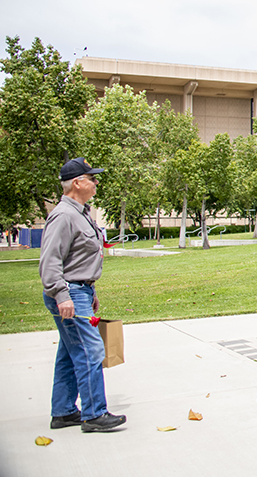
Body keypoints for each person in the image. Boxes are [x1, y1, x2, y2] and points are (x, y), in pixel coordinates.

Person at [39, 157, 127, 432]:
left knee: (69, 353)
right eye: (91, 178)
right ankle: (94, 414)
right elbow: (50, 260)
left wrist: (90, 290)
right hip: (68, 293)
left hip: (80, 290)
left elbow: (78, 259)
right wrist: (62, 295)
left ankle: (64, 412)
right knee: (91, 350)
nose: (96, 182)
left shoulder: (80, 212)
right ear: (77, 183)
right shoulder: (64, 215)